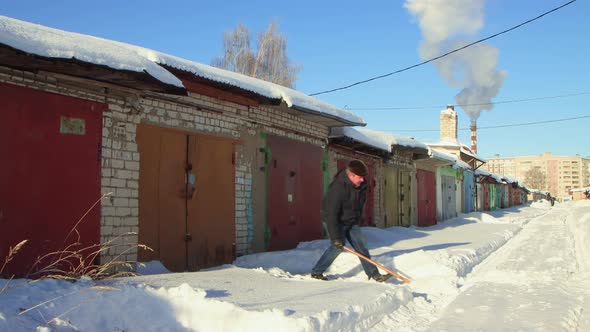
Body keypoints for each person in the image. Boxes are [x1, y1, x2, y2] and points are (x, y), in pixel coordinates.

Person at [311, 159, 389, 282]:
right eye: (360, 177)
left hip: (351, 222)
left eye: (363, 177)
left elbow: (358, 206)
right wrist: (335, 237)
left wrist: (356, 220)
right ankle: (317, 272)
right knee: (337, 247)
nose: (363, 180)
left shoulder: (361, 186)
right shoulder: (338, 188)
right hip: (336, 221)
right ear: (351, 175)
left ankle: (374, 275)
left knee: (361, 247)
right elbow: (331, 214)